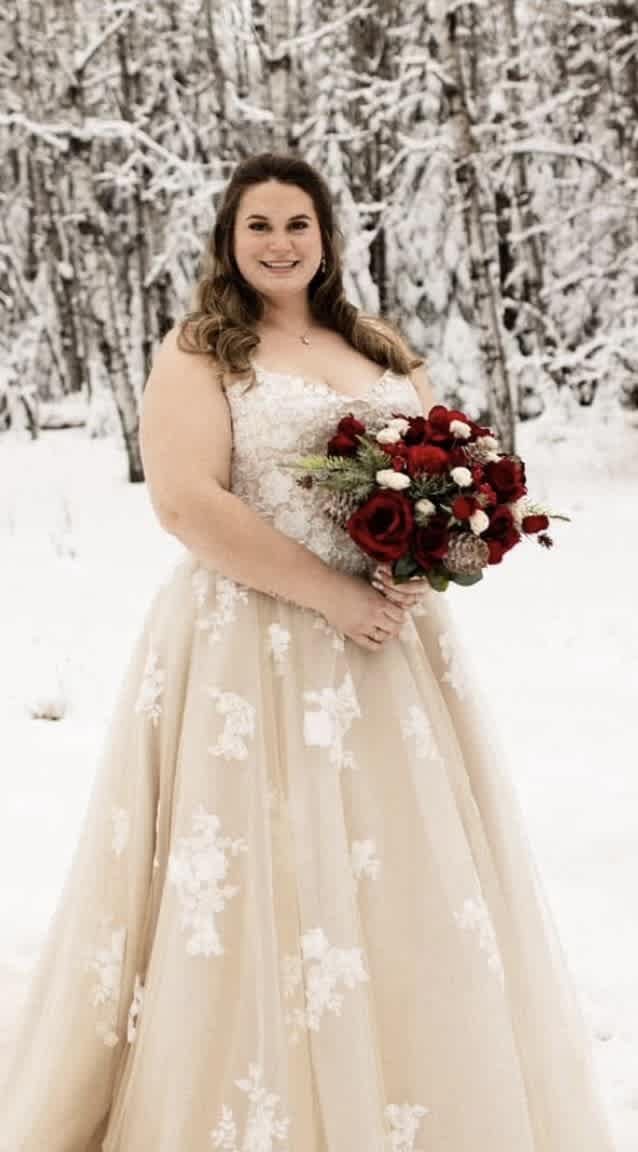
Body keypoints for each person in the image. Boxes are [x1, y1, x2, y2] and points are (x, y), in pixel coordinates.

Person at [0, 152, 615, 1152]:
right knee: (265, 870)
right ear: (229, 239)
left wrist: (427, 562)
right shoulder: (202, 350)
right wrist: (330, 593)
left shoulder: (374, 344)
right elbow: (185, 503)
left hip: (386, 654)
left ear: (326, 237)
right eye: (259, 225)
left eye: (298, 223)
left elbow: (445, 474)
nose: (279, 242)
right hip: (252, 647)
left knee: (395, 876)